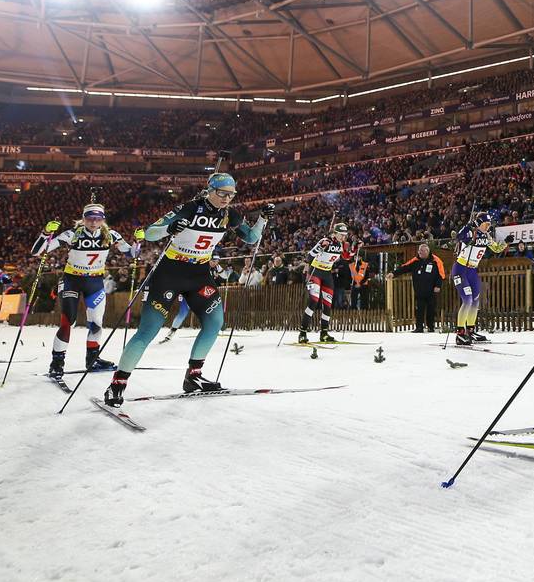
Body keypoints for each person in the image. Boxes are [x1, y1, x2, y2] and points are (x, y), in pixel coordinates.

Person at [102, 174, 272, 407]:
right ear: (209, 190)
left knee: (214, 322)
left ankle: (193, 376)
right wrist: (170, 228)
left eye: (231, 194)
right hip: (170, 273)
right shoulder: (190, 208)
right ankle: (117, 384)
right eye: (222, 193)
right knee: (148, 331)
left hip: (199, 274)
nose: (226, 198)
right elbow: (151, 232)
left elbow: (252, 238)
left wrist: (262, 218)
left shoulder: (229, 215)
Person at [30, 204, 143, 378]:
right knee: (68, 322)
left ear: (102, 220)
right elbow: (37, 252)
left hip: (95, 283)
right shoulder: (72, 234)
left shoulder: (110, 235)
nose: (93, 222)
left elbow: (132, 254)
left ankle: (92, 360)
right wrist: (45, 232)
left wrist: (138, 242)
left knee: (96, 322)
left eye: (97, 219)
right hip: (71, 281)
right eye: (89, 218)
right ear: (83, 219)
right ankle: (57, 363)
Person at [451, 213, 507, 345]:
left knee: (475, 302)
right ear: (479, 223)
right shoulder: (471, 232)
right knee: (467, 300)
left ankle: (471, 331)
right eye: (486, 224)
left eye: (489, 225)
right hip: (461, 269)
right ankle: (460, 334)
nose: (488, 227)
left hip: (472, 270)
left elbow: (496, 249)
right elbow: (458, 236)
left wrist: (506, 242)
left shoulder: (486, 236)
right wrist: (468, 226)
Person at [299, 223, 351, 344]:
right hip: (316, 272)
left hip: (327, 274)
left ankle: (324, 333)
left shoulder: (341, 245)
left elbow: (346, 258)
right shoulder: (325, 240)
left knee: (327, 304)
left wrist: (355, 248)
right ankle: (302, 333)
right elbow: (309, 256)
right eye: (341, 235)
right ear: (335, 233)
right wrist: (320, 248)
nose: (343, 237)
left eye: (345, 235)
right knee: (313, 301)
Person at [387, 243, 446, 332]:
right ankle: (419, 327)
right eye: (419, 251)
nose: (420, 253)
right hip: (419, 290)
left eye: (421, 251)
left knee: (431, 309)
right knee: (419, 310)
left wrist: (438, 285)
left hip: (432, 290)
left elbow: (441, 275)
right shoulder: (415, 260)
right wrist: (393, 273)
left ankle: (431, 326)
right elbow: (404, 268)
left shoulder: (436, 260)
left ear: (427, 251)